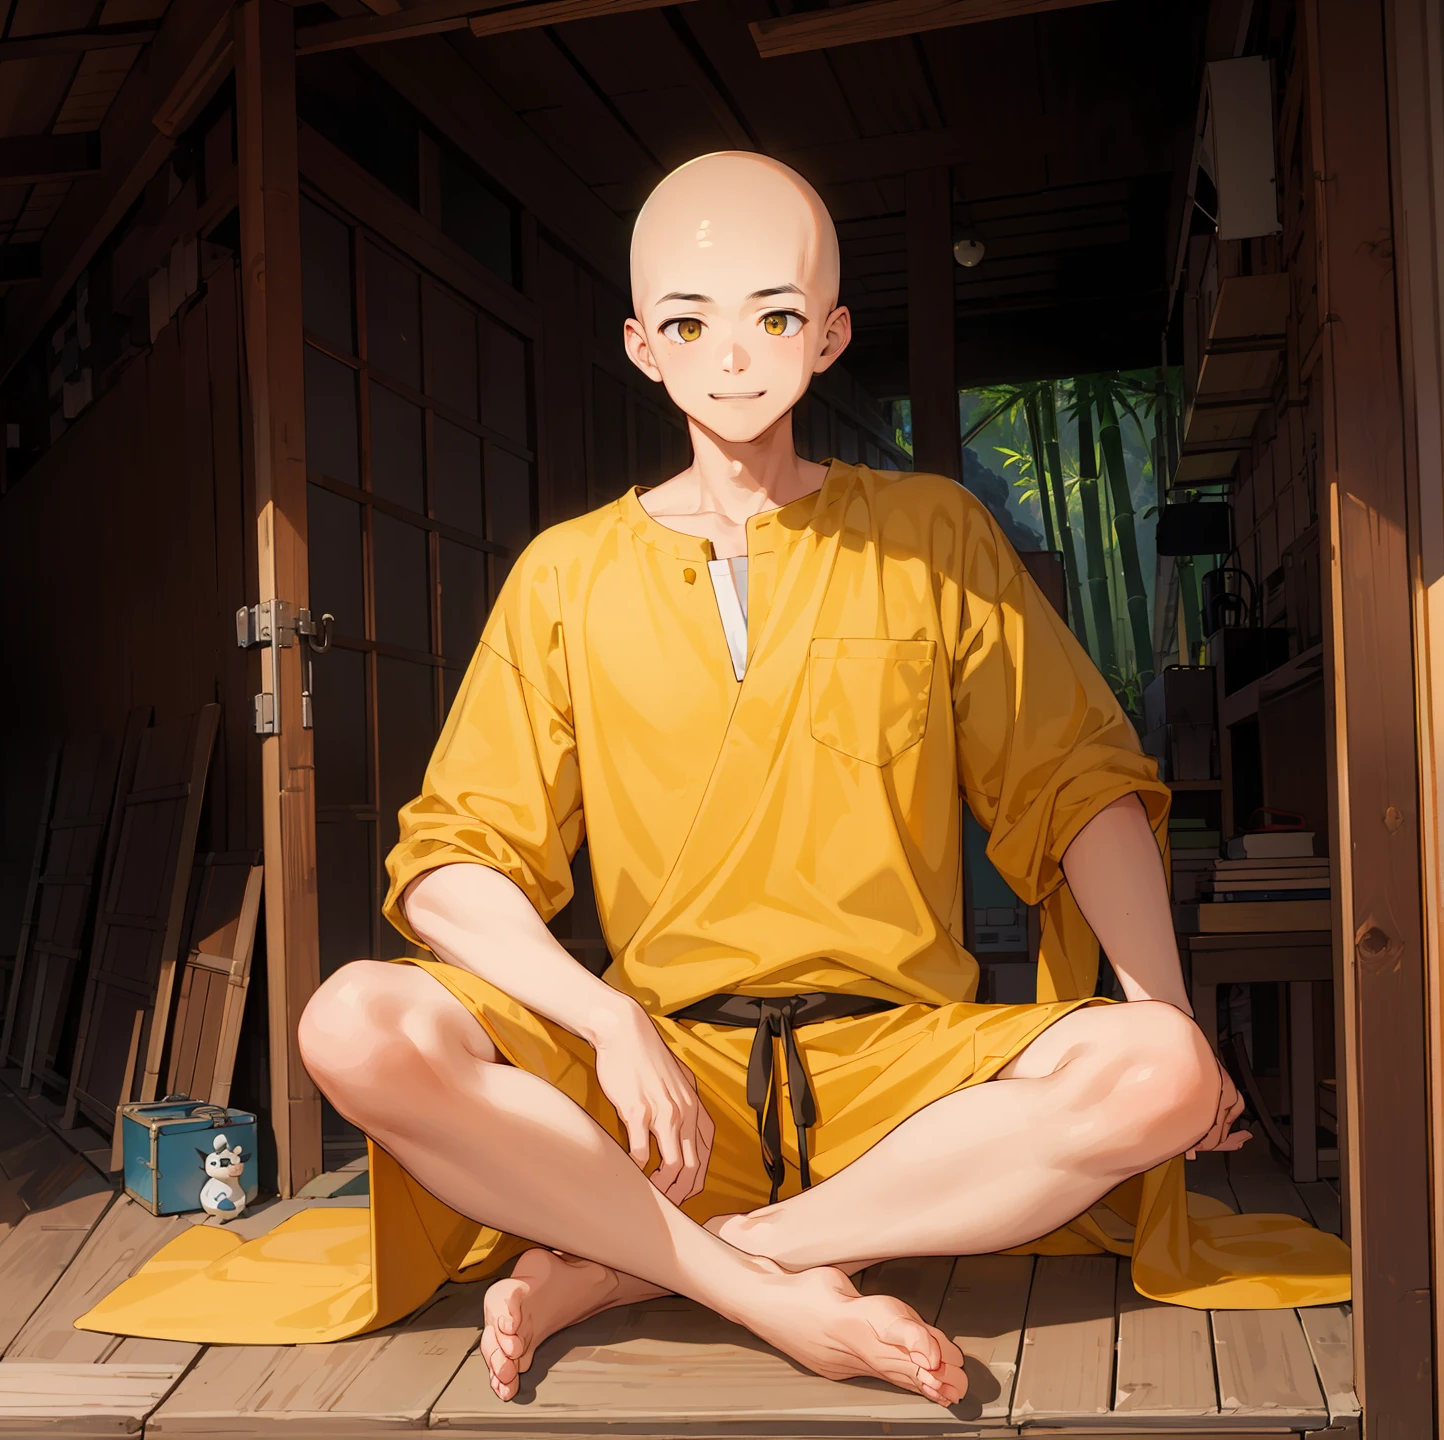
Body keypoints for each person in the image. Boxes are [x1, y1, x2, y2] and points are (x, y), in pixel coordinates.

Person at [73, 151, 1349, 1397]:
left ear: (832, 333)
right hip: (661, 1100)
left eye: (774, 314)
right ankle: (757, 1288)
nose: (733, 354)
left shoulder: (931, 535)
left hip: (897, 1085)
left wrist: (1168, 1010)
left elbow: (1081, 783)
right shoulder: (567, 576)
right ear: (644, 347)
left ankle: (654, 1267)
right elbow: (453, 860)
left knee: (1163, 1069)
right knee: (351, 1020)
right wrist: (606, 1019)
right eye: (691, 321)